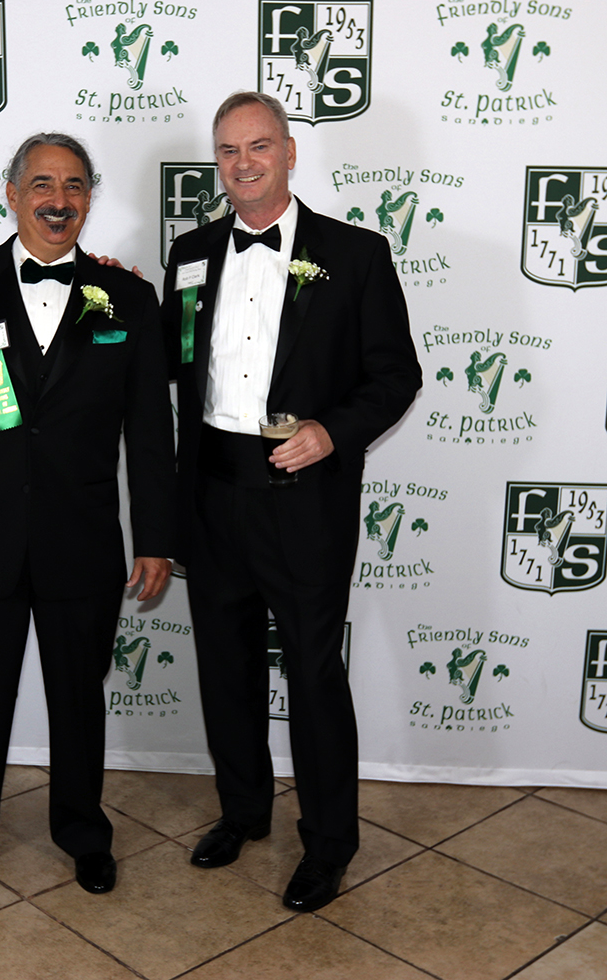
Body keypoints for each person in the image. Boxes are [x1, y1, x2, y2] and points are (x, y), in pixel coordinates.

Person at [161, 92, 421, 912]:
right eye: (229, 150)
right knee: (224, 664)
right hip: (212, 487)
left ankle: (329, 845)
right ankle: (243, 812)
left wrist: (330, 432)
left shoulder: (356, 253)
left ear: (290, 152)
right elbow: (169, 357)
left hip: (305, 494)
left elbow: (396, 374)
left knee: (311, 673)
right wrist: (112, 296)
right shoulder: (190, 252)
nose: (244, 163)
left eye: (260, 146)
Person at [0, 133, 174, 895]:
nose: (60, 201)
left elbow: (151, 433)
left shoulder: (128, 299)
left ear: (90, 198)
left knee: (79, 701)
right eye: (45, 185)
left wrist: (156, 538)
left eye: (75, 185)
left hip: (82, 539)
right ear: (14, 194)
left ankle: (84, 833)